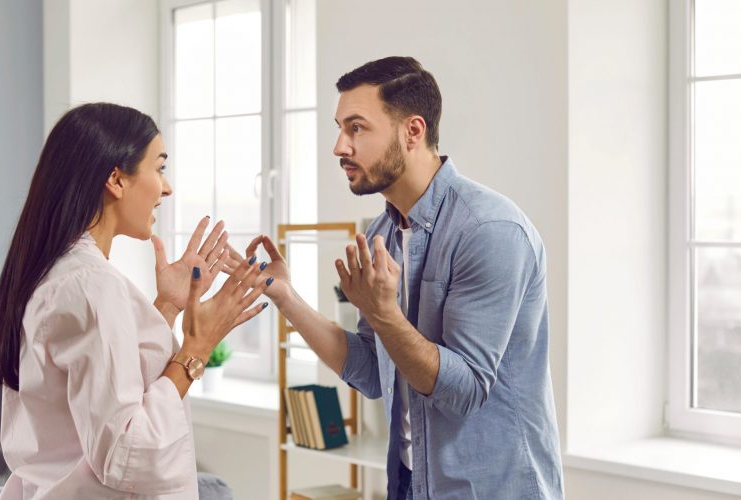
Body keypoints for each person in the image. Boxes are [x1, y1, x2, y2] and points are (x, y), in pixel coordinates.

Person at [235, 57, 563, 499]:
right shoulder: (382, 232)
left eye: (356, 128)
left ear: (413, 131)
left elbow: (463, 391)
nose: (339, 146)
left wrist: (384, 313)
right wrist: (286, 295)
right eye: (340, 128)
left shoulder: (490, 231)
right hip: (411, 483)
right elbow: (372, 369)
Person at [0, 102, 274, 499]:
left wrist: (168, 307)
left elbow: (102, 392)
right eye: (159, 167)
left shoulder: (59, 271)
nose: (167, 188)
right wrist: (196, 349)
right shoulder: (91, 284)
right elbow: (125, 453)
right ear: (117, 180)